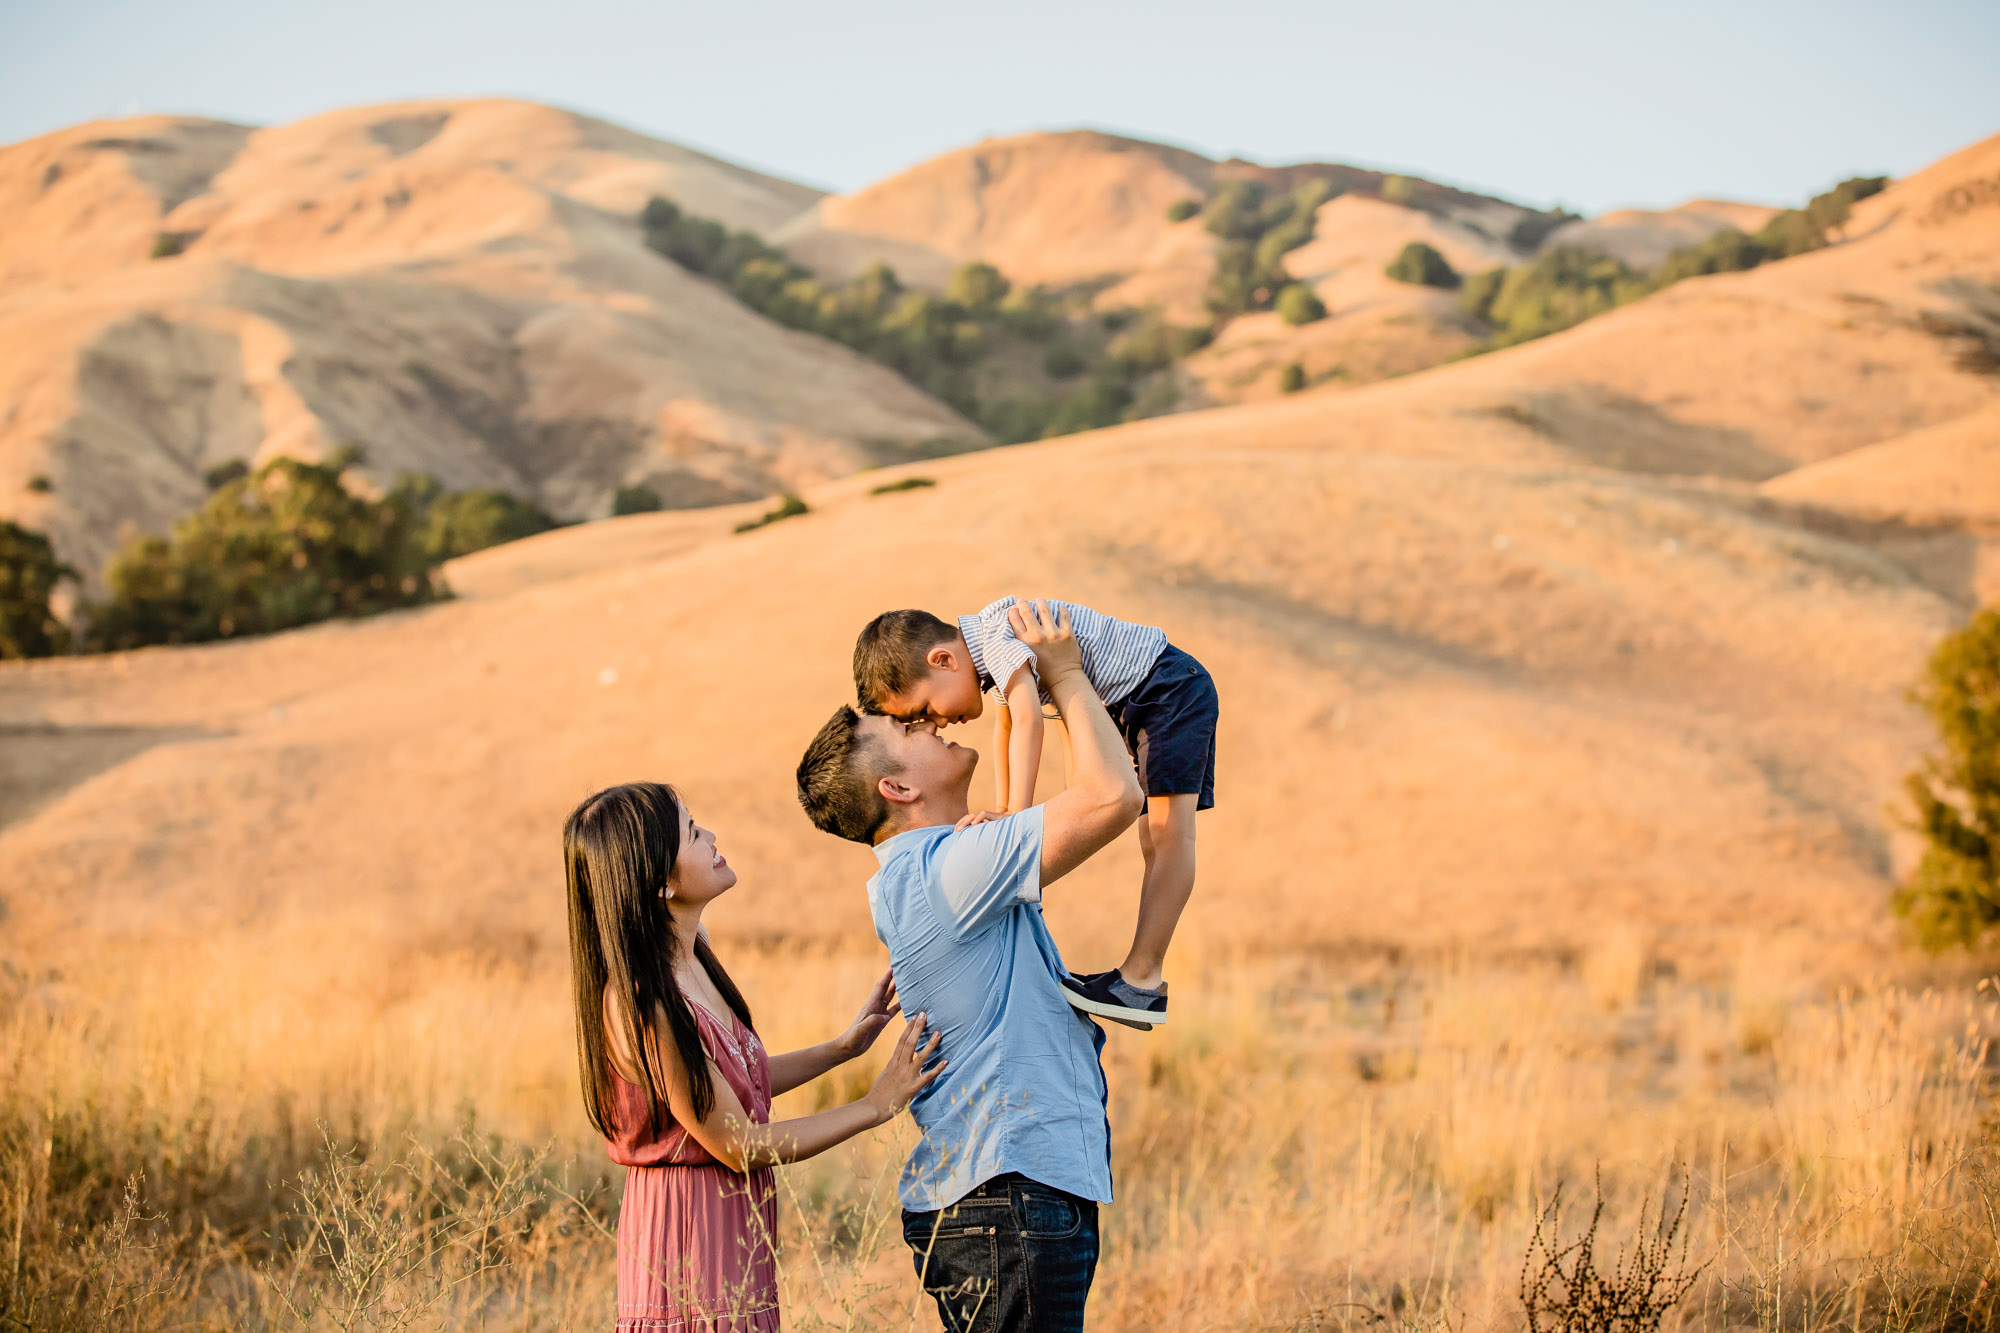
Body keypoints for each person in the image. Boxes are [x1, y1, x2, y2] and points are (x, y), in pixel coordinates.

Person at [797, 601, 1145, 1332]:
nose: (930, 723)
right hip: (1006, 1197)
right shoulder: (947, 868)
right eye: (907, 728)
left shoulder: (930, 868)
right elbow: (1114, 796)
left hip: (998, 1199)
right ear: (897, 787)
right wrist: (1067, 673)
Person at [564, 781, 944, 1332]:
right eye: (692, 833)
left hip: (730, 1232)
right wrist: (875, 1105)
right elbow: (739, 1145)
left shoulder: (695, 960)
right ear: (660, 880)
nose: (712, 836)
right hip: (687, 1243)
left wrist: (842, 1048)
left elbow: (731, 1083)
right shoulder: (642, 1004)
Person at [850, 595, 1218, 1029]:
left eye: (925, 710)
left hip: (1167, 688)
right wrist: (1006, 808)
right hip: (1133, 701)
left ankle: (1144, 976)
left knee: (1166, 832)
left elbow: (1029, 720)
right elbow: (1005, 727)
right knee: (1152, 835)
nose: (935, 724)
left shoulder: (997, 637)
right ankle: (1138, 977)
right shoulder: (988, 658)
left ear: (944, 660)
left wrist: (1016, 816)